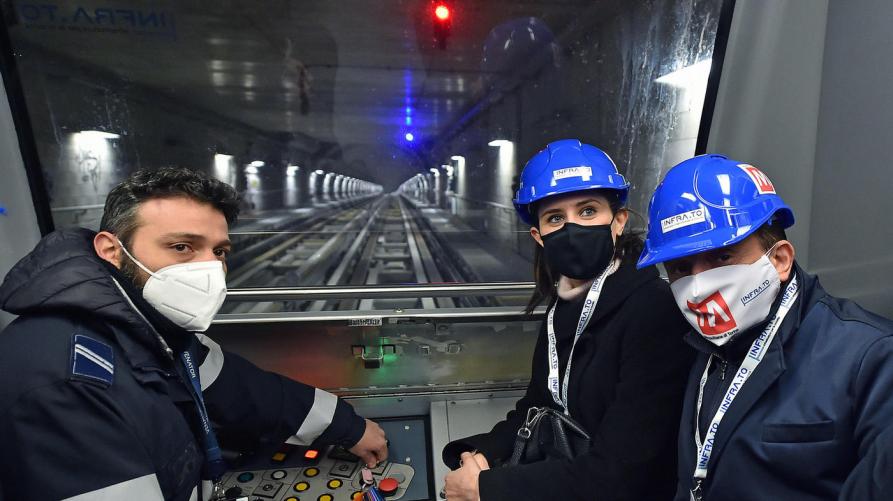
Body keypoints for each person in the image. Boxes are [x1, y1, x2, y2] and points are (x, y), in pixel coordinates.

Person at [0, 167, 388, 501]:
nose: (209, 270)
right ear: (111, 250)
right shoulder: (64, 386)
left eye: (219, 251)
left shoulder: (151, 329)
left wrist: (348, 426)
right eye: (182, 247)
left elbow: (240, 389)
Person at [442, 139, 694, 500]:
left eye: (588, 211)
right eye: (556, 218)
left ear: (618, 221)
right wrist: (483, 455)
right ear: (539, 236)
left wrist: (487, 488)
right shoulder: (561, 306)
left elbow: (621, 473)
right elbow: (538, 404)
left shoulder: (654, 311)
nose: (572, 227)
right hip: (568, 473)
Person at [637, 154, 893, 500]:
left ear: (779, 259)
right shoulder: (704, 351)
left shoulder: (871, 358)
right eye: (681, 268)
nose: (699, 286)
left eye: (722, 257)